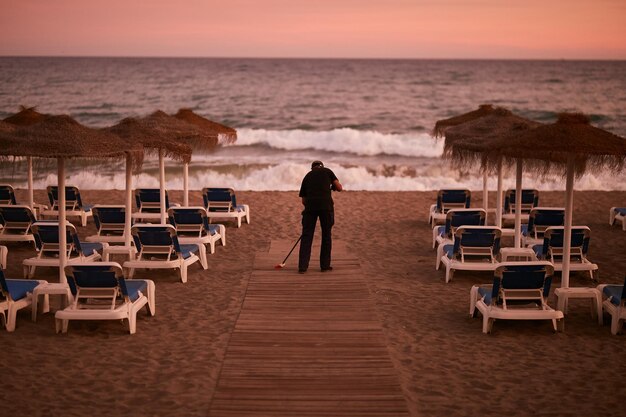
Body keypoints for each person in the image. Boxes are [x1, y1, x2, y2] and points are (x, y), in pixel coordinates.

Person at [298, 160, 343, 273]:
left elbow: (303, 201)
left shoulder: (307, 176)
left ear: (312, 168)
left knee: (307, 236)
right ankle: (325, 266)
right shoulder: (328, 171)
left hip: (310, 208)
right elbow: (339, 187)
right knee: (326, 235)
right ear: (322, 166)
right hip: (326, 207)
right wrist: (332, 187)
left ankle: (303, 267)